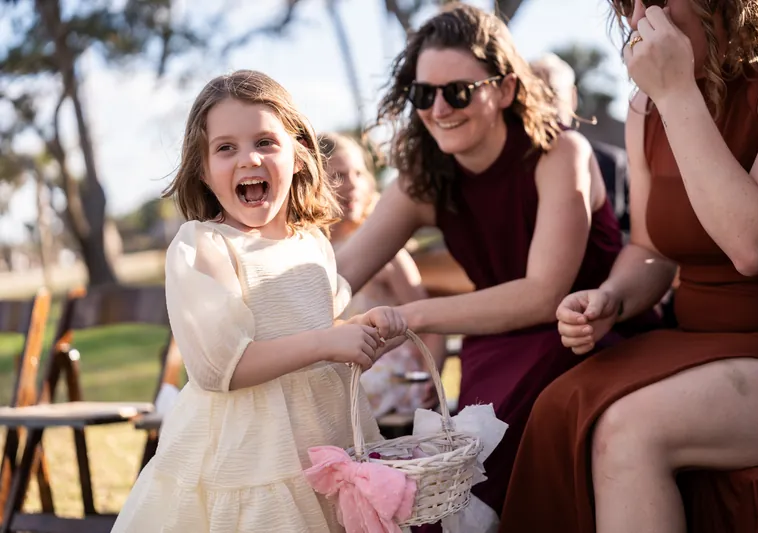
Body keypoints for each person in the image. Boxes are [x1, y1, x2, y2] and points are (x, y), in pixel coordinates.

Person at [334, 4, 656, 525]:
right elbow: (339, 272)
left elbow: (543, 295)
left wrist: (413, 316)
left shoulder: (560, 154)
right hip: (496, 352)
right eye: (423, 94)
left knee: (489, 456)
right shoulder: (423, 179)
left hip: (586, 338)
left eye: (458, 91)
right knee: (461, 463)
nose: (439, 108)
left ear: (504, 89)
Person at [501, 1, 758, 532]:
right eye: (626, 3)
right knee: (556, 406)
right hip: (699, 338)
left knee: (628, 429)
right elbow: (651, 250)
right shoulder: (646, 108)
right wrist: (613, 296)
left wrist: (678, 94)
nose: (641, 15)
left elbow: (756, 245)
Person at [111, 70, 407, 533]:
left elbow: (325, 338)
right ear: (204, 170)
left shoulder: (312, 244)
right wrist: (327, 343)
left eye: (266, 141)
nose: (248, 158)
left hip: (327, 439)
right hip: (248, 455)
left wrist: (363, 333)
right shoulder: (204, 246)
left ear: (299, 155)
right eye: (225, 147)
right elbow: (220, 369)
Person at [318, 131, 447, 418]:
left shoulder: (385, 253)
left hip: (389, 373)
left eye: (358, 174)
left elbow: (431, 327)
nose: (352, 185)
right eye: (337, 176)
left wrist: (429, 379)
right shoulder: (310, 254)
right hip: (341, 368)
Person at [530, 53, 631, 233]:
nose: (545, 106)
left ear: (573, 97)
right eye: (535, 96)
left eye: (552, 93)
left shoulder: (613, 164)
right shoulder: (514, 168)